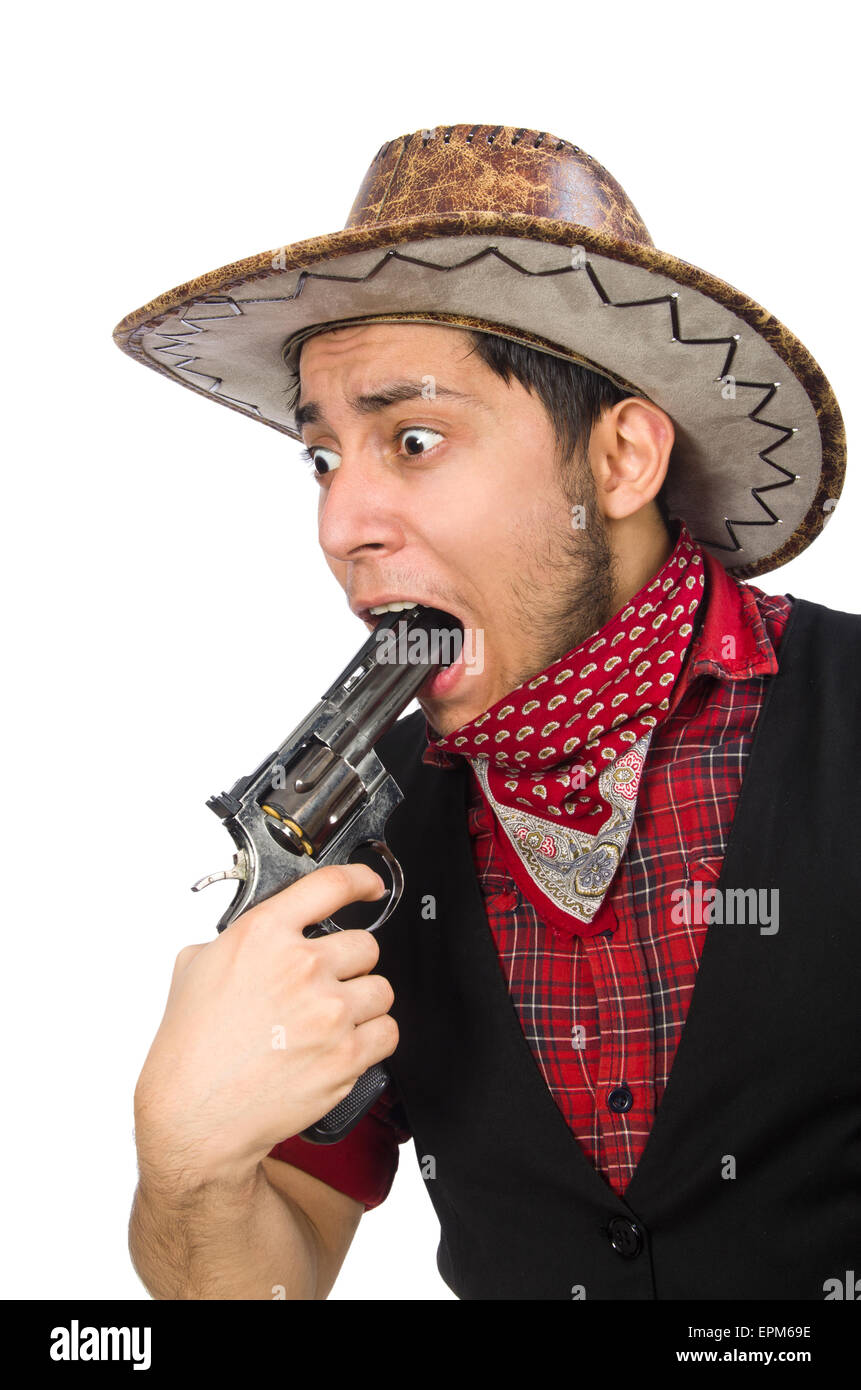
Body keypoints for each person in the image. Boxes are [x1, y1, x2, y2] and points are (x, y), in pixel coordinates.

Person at [114, 124, 860, 1300]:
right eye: (323, 458)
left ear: (620, 462)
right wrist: (188, 1165)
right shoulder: (372, 837)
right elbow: (268, 1276)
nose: (339, 523)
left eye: (413, 439)